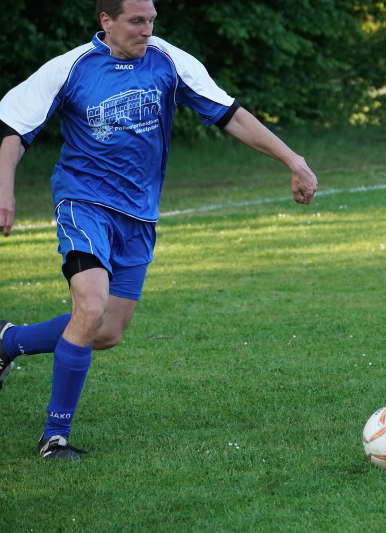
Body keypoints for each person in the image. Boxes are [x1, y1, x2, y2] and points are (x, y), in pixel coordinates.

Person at [0, 0, 318, 460]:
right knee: (89, 308)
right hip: (83, 203)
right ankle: (56, 437)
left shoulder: (169, 61)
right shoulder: (70, 68)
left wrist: (294, 159)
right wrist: (4, 191)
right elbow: (11, 129)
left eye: (151, 20)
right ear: (106, 21)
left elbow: (231, 114)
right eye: (136, 21)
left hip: (139, 215)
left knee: (106, 331)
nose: (146, 29)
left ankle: (9, 341)